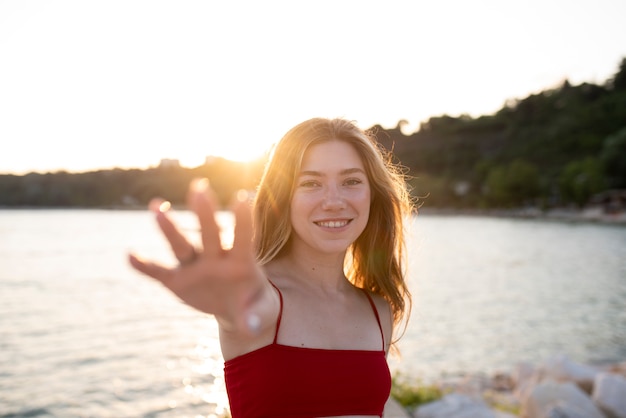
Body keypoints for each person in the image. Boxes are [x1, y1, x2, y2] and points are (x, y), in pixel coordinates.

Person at [129, 117, 414, 418]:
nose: (333, 201)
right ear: (283, 197)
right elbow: (244, 306)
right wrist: (227, 294)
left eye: (351, 181)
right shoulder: (265, 301)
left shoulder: (377, 310)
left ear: (373, 195)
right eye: (311, 183)